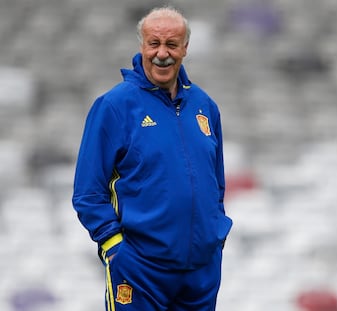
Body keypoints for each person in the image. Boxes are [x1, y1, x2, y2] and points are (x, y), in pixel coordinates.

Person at [72, 5, 233, 311]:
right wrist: (114, 246)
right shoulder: (114, 106)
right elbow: (87, 193)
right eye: (154, 43)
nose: (162, 53)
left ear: (185, 48)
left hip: (201, 272)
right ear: (142, 46)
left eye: (171, 44)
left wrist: (216, 236)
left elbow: (217, 183)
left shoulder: (205, 106)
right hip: (140, 269)